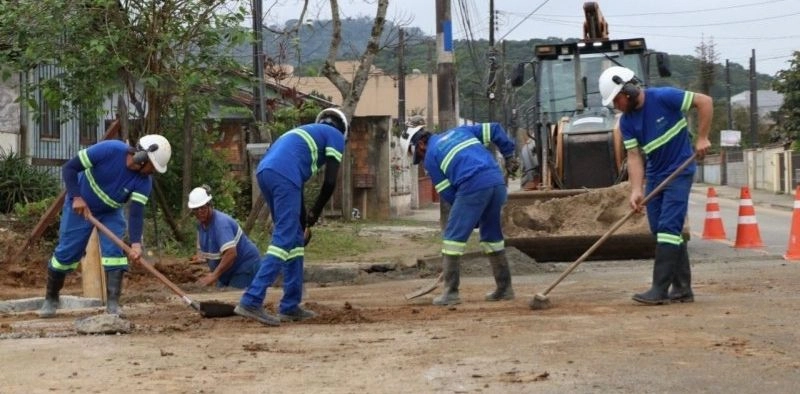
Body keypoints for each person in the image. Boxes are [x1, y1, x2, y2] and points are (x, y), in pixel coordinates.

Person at [598, 66, 712, 305]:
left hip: (679, 171)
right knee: (660, 230)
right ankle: (682, 289)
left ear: (628, 91)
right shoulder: (626, 123)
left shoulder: (664, 97)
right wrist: (636, 189)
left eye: (616, 100)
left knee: (669, 226)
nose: (616, 106)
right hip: (655, 176)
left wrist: (702, 137)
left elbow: (705, 102)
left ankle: (659, 289)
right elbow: (634, 157)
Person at [234, 107, 348, 326]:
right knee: (284, 238)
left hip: (266, 172)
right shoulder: (335, 136)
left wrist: (304, 223)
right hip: (284, 176)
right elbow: (330, 182)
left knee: (294, 238)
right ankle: (251, 299)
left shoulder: (304, 133)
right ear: (342, 130)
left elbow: (297, 187)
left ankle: (290, 305)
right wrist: (315, 214)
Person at [38, 134, 172, 318]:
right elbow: (70, 167)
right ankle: (51, 298)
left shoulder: (144, 182)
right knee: (66, 254)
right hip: (81, 205)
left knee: (114, 255)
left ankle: (113, 305)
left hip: (111, 212)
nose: (153, 172)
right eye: (153, 167)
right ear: (142, 158)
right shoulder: (109, 150)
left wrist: (135, 244)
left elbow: (136, 213)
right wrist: (76, 197)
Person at [400, 121, 519, 306]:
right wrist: (509, 155)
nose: (421, 159)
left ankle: (451, 292)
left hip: (472, 185)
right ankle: (505, 288)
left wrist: (469, 213)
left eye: (418, 155)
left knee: (452, 240)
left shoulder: (431, 157)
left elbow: (448, 193)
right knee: (492, 238)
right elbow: (495, 129)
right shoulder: (461, 131)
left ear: (421, 144)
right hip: (496, 183)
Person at [187, 186, 259, 289]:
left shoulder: (221, 224)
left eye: (203, 208)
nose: (200, 212)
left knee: (232, 296)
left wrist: (213, 276)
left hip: (245, 266)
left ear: (210, 205)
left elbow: (231, 253)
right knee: (219, 292)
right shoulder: (201, 225)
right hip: (228, 270)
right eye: (196, 209)